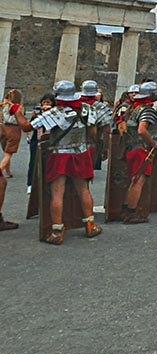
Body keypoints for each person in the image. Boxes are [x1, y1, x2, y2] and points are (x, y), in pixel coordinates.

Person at [40, 81, 103, 244]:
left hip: (59, 154)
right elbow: (93, 132)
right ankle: (90, 226)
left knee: (57, 193)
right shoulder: (87, 109)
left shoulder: (54, 112)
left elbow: (28, 127)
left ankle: (57, 231)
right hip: (80, 153)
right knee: (83, 190)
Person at [121, 81, 157, 224]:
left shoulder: (133, 108)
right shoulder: (147, 110)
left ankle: (127, 209)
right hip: (141, 149)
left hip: (132, 147)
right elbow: (142, 130)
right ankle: (132, 212)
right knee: (138, 180)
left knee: (134, 180)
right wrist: (154, 143)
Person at [0, 97, 31, 231]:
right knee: (1, 182)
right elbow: (25, 126)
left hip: (5, 128)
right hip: (12, 129)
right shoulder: (14, 107)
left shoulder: (5, 106)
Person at [1, 89, 24, 178]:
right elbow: (21, 120)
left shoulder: (5, 105)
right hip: (14, 129)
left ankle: (8, 172)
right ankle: (1, 170)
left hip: (4, 128)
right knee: (8, 154)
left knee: (6, 152)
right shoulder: (18, 107)